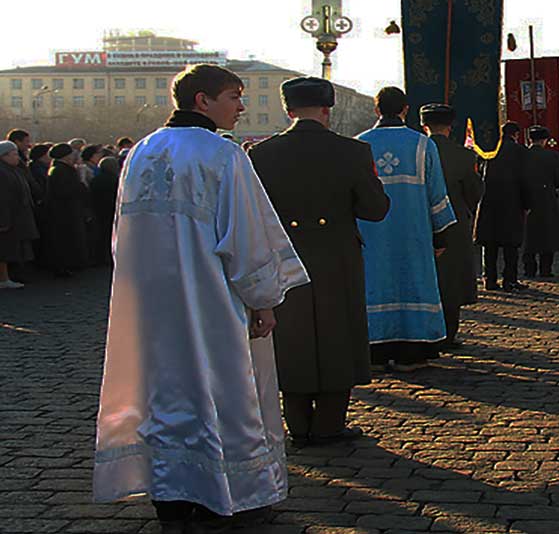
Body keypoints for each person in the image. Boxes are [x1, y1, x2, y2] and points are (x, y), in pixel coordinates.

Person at [94, 64, 310, 532]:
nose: (241, 106)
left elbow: (120, 237)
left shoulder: (141, 152)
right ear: (202, 101)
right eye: (234, 96)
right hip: (211, 304)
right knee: (224, 392)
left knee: (163, 393)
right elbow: (246, 238)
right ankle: (226, 495)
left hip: (150, 306)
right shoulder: (222, 154)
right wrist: (263, 298)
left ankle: (170, 497)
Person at [248, 76, 390, 448]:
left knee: (291, 336)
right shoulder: (353, 151)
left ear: (288, 110)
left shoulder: (260, 154)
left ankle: (296, 422)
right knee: (337, 334)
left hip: (282, 256)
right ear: (327, 110)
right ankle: (329, 423)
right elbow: (375, 209)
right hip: (336, 254)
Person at [356, 87, 456, 371]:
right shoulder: (423, 145)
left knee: (375, 285)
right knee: (414, 282)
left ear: (376, 110)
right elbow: (436, 194)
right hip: (414, 233)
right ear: (405, 110)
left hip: (370, 234)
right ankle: (411, 352)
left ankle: (375, 351)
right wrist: (441, 234)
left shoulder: (359, 144)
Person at [422, 103, 482, 346]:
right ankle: (448, 333)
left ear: (423, 125)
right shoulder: (464, 156)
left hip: (419, 224)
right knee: (451, 279)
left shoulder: (414, 151)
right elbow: (474, 193)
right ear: (451, 126)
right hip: (453, 224)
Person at [476, 121, 529, 291]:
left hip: (489, 202)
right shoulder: (520, 152)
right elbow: (525, 179)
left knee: (489, 244)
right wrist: (527, 203)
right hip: (511, 203)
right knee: (510, 245)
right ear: (515, 134)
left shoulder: (488, 150)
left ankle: (489, 279)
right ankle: (510, 280)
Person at [522, 125, 559, 278]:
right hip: (547, 199)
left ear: (529, 139)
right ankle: (546, 269)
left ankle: (529, 268)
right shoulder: (552, 157)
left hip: (525, 199)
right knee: (547, 234)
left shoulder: (522, 155)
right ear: (545, 140)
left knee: (529, 235)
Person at [44, 143, 88, 277]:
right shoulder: (60, 170)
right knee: (64, 240)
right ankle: (63, 266)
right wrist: (81, 181)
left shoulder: (60, 169)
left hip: (66, 210)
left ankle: (68, 265)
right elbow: (66, 191)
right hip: (64, 211)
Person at [0, 140, 38, 289]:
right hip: (8, 218)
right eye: (14, 154)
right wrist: (3, 221)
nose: (18, 157)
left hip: (18, 216)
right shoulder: (3, 172)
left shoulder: (13, 169)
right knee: (4, 250)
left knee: (12, 248)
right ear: (4, 156)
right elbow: (3, 199)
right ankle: (3, 278)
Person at [89, 156, 120, 266]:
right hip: (110, 208)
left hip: (98, 208)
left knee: (100, 234)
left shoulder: (95, 179)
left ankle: (99, 257)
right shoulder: (115, 180)